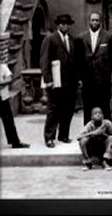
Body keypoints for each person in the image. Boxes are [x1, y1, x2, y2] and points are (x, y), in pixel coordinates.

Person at [40, 14, 79, 148]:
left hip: (70, 82)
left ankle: (63, 135)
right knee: (53, 109)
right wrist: (48, 80)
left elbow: (75, 61)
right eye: (62, 23)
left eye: (67, 23)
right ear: (58, 25)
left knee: (68, 109)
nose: (65, 26)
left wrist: (77, 79)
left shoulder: (72, 40)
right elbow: (44, 60)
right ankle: (49, 137)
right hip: (56, 81)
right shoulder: (50, 39)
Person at [77, 12, 112, 124]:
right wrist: (80, 76)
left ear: (100, 22)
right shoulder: (81, 38)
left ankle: (105, 131)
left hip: (103, 79)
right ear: (89, 21)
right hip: (87, 79)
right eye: (93, 20)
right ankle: (88, 131)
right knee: (88, 106)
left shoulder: (108, 36)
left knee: (104, 105)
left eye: (97, 20)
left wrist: (106, 70)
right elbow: (77, 59)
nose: (95, 22)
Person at [0, 63, 29, 149]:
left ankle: (15, 142)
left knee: (9, 120)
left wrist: (1, 83)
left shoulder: (2, 66)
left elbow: (10, 78)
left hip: (2, 97)